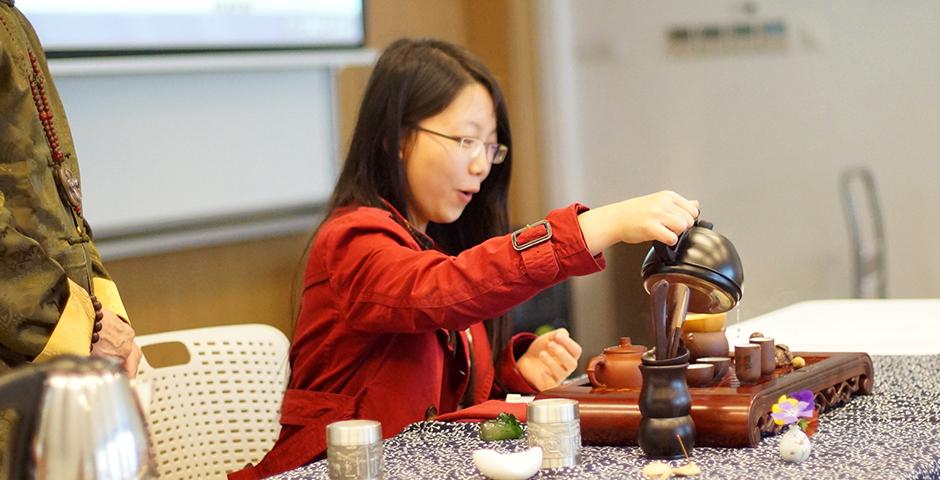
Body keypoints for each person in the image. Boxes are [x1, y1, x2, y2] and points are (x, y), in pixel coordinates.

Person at [230, 38, 699, 479]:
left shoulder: (435, 246)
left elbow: (440, 415)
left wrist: (517, 373)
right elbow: (439, 291)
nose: (480, 164)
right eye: (464, 140)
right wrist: (597, 227)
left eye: (490, 146)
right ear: (395, 137)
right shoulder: (351, 239)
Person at [0, 1, 141, 376]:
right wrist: (87, 329)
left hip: (57, 357)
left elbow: (59, 213)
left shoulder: (11, 21)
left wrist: (105, 318)